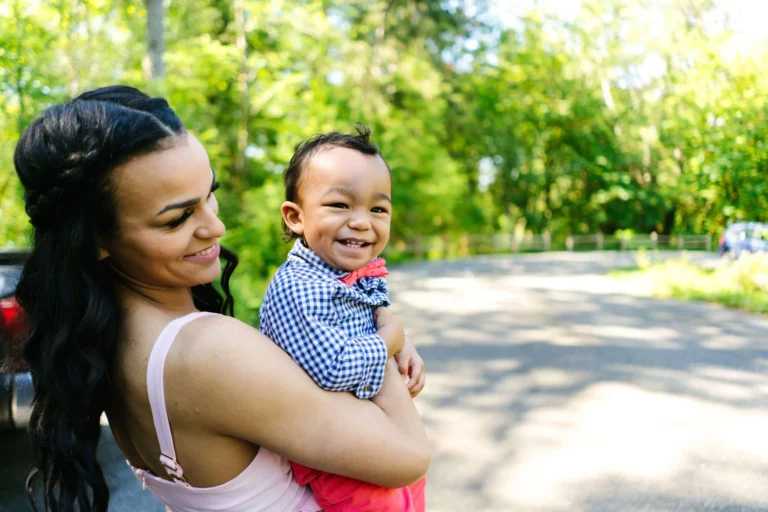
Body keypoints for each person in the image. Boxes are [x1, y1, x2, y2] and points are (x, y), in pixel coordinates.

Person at [12, 85, 430, 512]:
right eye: (177, 218)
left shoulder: (110, 339)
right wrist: (388, 338)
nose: (215, 227)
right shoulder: (209, 351)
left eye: (208, 194)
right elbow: (410, 457)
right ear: (96, 239)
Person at [259, 128, 427, 511]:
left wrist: (404, 346)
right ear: (296, 217)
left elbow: (377, 316)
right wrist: (391, 342)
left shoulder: (346, 271)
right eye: (339, 205)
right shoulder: (298, 288)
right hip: (338, 454)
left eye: (378, 209)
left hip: (378, 434)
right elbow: (333, 368)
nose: (361, 222)